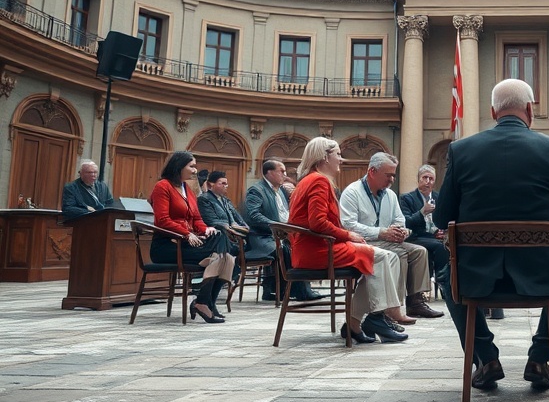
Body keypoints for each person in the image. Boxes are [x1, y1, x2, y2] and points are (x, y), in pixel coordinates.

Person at [433, 78, 549, 393]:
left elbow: (441, 217)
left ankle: (486, 359)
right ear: (530, 109)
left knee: (444, 277)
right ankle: (540, 359)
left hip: (474, 276)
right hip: (543, 276)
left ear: (493, 111)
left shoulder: (461, 151)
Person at [288, 137, 409, 343]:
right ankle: (379, 317)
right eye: (337, 154)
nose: (341, 160)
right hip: (316, 250)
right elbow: (317, 223)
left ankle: (356, 323)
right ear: (325, 157)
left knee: (383, 258)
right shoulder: (318, 180)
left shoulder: (309, 179)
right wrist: (348, 235)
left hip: (314, 247)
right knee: (382, 258)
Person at [341, 153, 442, 320]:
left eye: (394, 175)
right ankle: (394, 307)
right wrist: (381, 232)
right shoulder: (352, 192)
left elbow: (400, 220)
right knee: (400, 254)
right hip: (364, 242)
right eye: (388, 175)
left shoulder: (390, 195)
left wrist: (402, 232)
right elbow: (349, 226)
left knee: (419, 251)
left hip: (387, 241)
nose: (392, 180)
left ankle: (415, 302)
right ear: (372, 171)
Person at [149, 151, 235, 323]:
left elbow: (196, 219)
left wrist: (206, 229)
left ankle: (205, 302)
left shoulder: (187, 188)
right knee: (221, 257)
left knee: (225, 251)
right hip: (167, 246)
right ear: (179, 166)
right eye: (192, 166)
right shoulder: (162, 186)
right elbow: (162, 220)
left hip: (188, 244)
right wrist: (186, 233)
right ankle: (205, 302)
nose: (195, 170)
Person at [243, 159, 320, 302]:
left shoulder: (282, 191)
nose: (284, 175)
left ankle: (283, 289)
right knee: (286, 249)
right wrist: (276, 225)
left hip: (282, 234)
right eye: (281, 171)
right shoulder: (256, 190)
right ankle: (297, 291)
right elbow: (253, 215)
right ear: (269, 173)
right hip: (262, 237)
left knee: (302, 245)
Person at [399, 164, 450, 289]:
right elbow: (407, 222)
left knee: (451, 244)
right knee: (440, 246)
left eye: (431, 179)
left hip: (436, 236)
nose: (428, 182)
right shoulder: (407, 198)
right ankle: (442, 282)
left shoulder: (440, 198)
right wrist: (423, 211)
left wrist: (443, 231)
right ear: (418, 179)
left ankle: (451, 283)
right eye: (425, 178)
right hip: (416, 236)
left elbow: (448, 218)